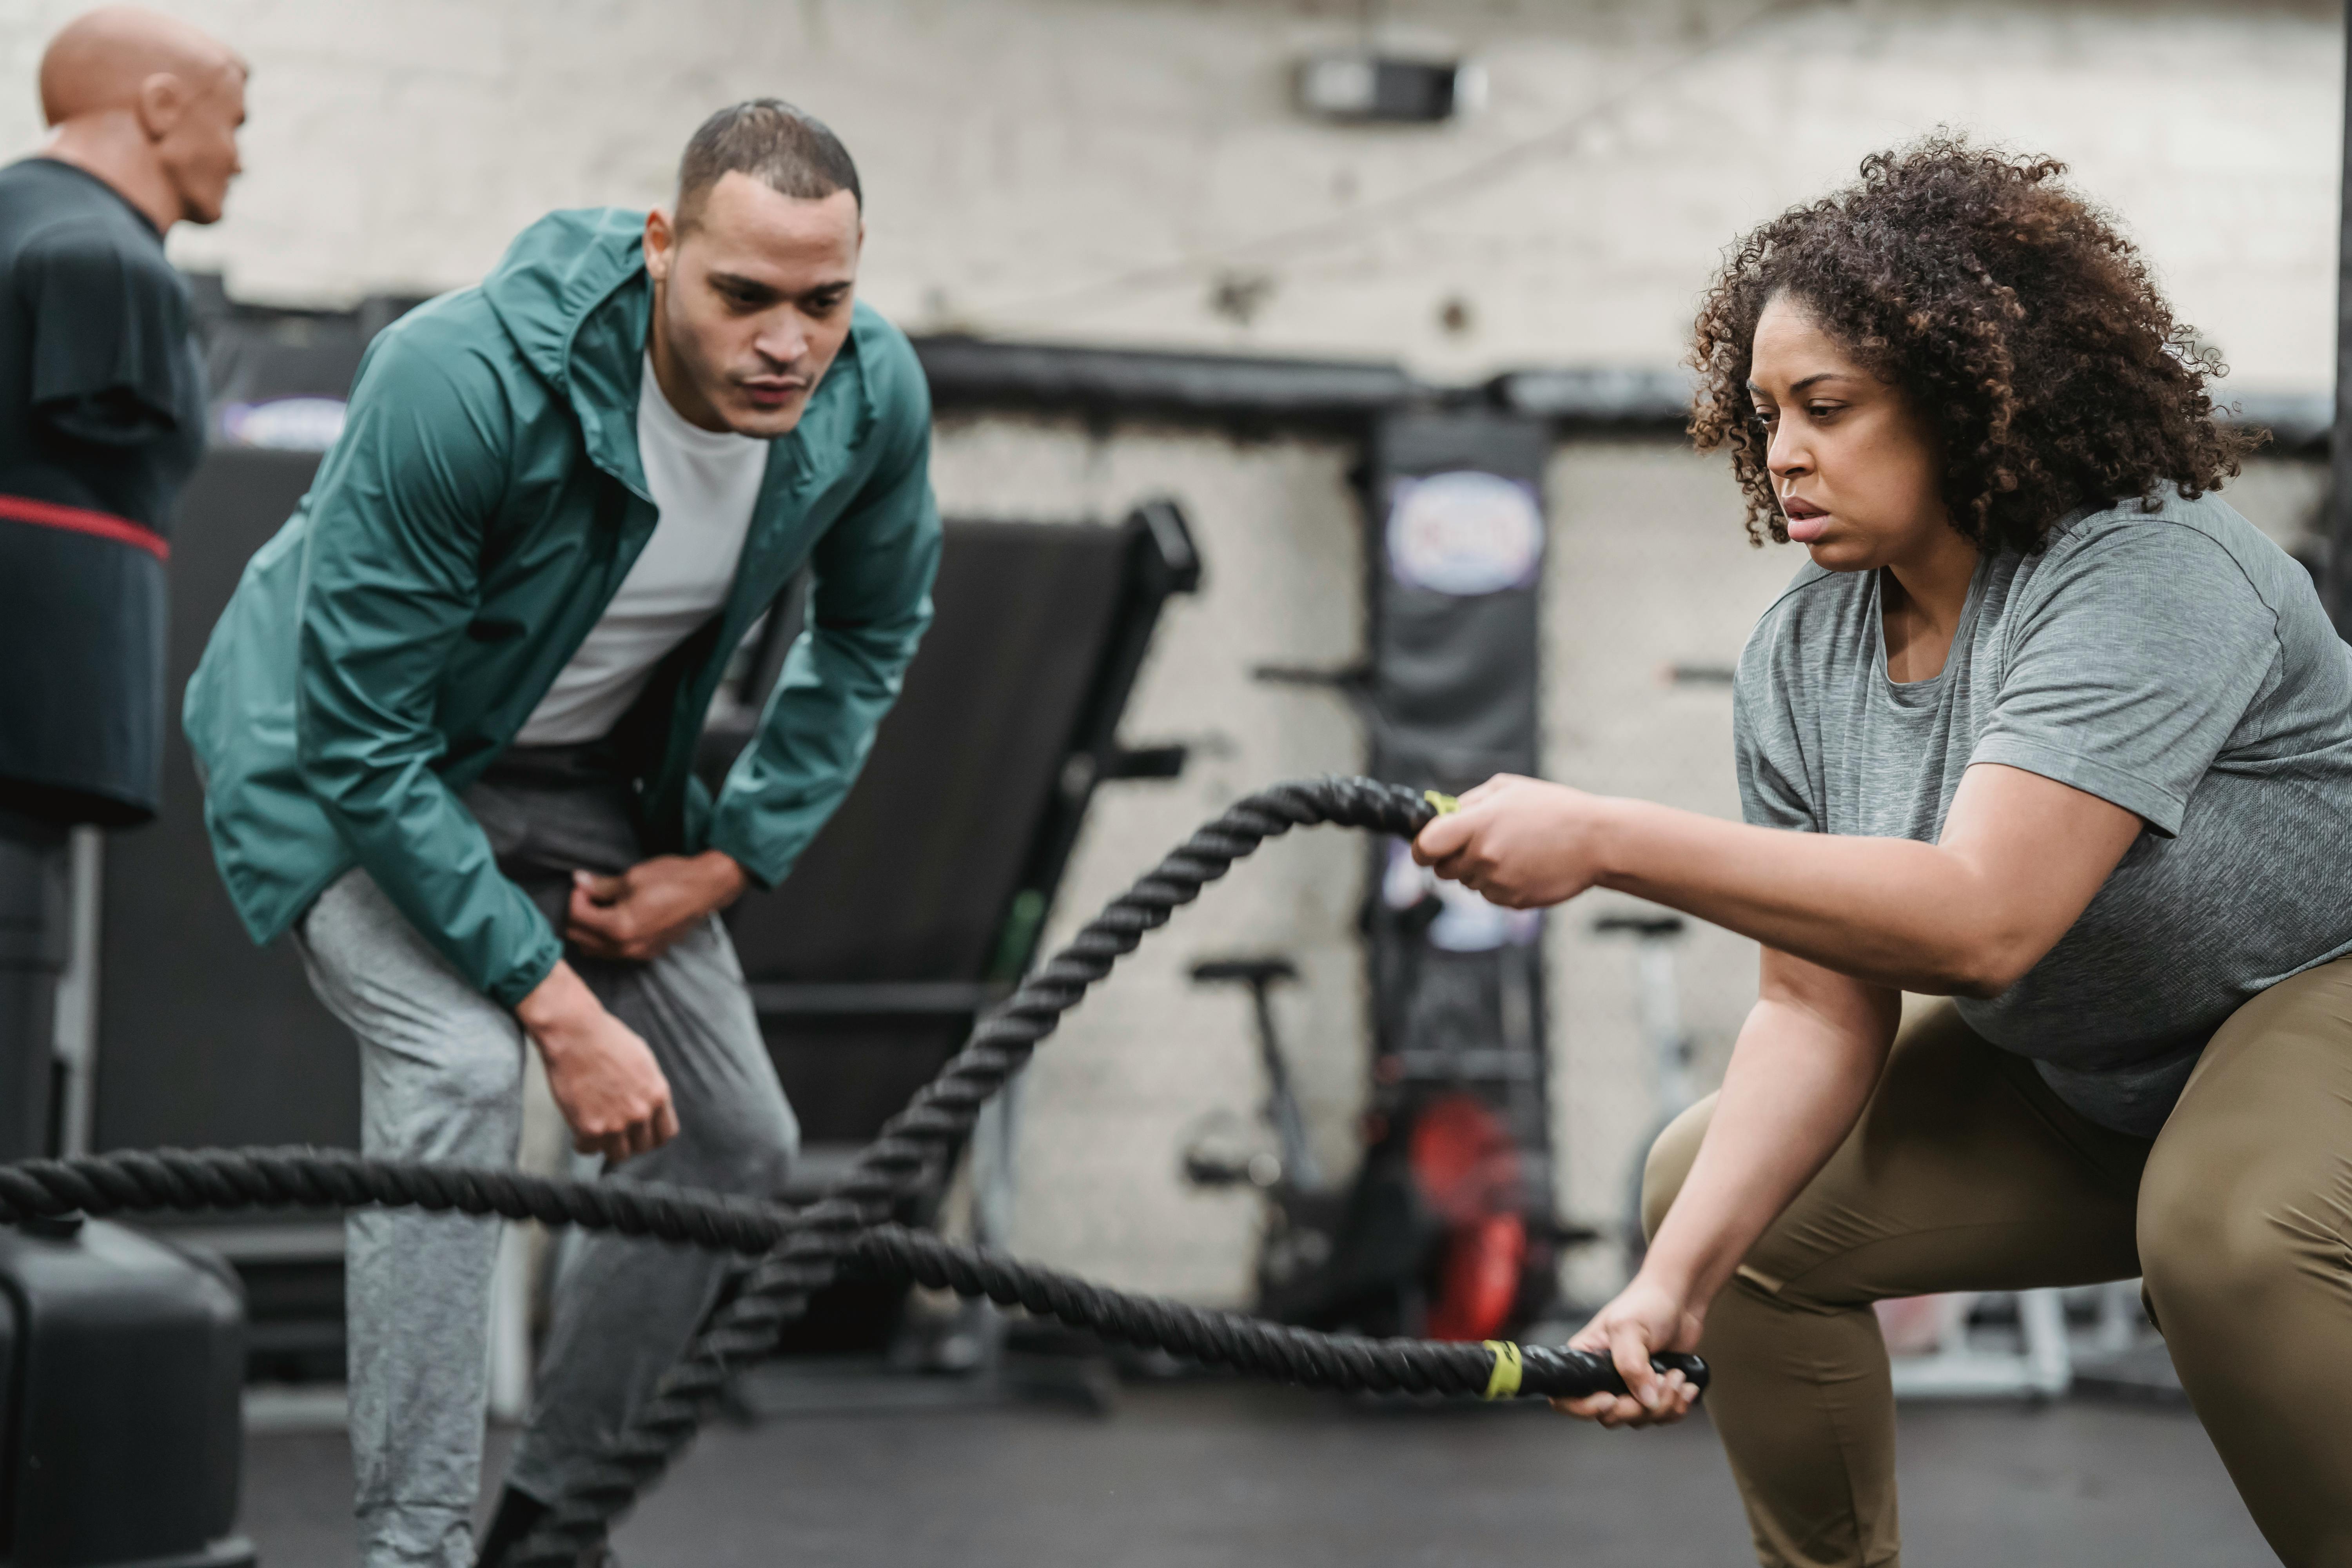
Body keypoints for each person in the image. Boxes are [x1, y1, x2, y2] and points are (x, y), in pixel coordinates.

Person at [1412, 138, 2352, 1568]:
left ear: (1980, 404)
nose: (1781, 451)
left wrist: (1601, 834)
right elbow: (1813, 1002)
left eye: (1828, 407)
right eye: (1765, 412)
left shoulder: (2150, 569)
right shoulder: (1806, 653)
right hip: (2108, 1080)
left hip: (2319, 994)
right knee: (1717, 1193)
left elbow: (1981, 923)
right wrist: (1668, 1291)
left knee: (2228, 1230)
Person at [185, 100, 940, 1568]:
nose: (789, 341)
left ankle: (554, 1522)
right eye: (745, 296)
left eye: (825, 301)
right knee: (463, 1074)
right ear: (664, 250)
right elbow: (363, 737)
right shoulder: (461, 377)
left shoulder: (869, 396)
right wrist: (553, 1005)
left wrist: (728, 860)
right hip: (345, 759)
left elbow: (871, 631)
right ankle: (417, 1548)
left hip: (586, 782)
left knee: (733, 1142)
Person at [0, 7, 243, 1159]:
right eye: (231, 122)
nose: (239, 155)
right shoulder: (94, 258)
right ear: (157, 107)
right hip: (29, 731)